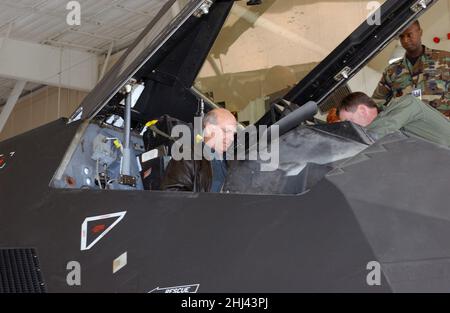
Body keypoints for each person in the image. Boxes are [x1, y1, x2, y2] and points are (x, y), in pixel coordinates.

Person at [372, 20, 449, 116]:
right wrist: (391, 113)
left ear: (420, 32)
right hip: (409, 128)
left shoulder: (445, 59)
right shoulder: (392, 70)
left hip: (443, 126)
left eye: (409, 35)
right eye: (401, 36)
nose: (405, 40)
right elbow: (376, 103)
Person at [161, 108, 237, 192]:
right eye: (225, 131)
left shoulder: (232, 162)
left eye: (232, 133)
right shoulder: (188, 155)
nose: (231, 138)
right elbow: (171, 195)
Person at [337, 92, 450, 147]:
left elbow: (378, 132)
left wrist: (346, 143)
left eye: (348, 121)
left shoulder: (408, 104)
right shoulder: (386, 129)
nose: (349, 127)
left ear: (362, 110)